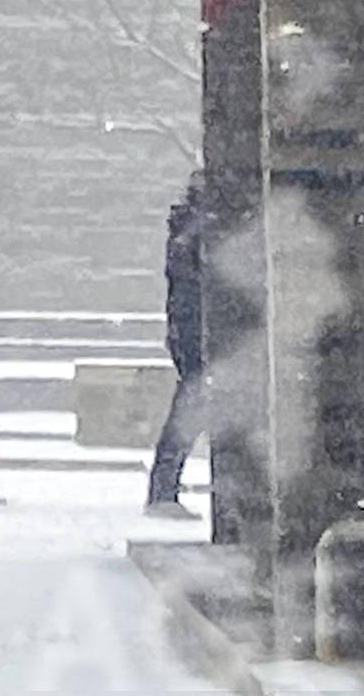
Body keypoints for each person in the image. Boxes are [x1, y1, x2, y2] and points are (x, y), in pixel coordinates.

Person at [147, 173, 213, 517]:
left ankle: (163, 491)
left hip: (191, 335)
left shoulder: (187, 228)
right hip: (199, 337)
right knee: (187, 417)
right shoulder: (198, 231)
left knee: (187, 416)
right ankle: (162, 492)